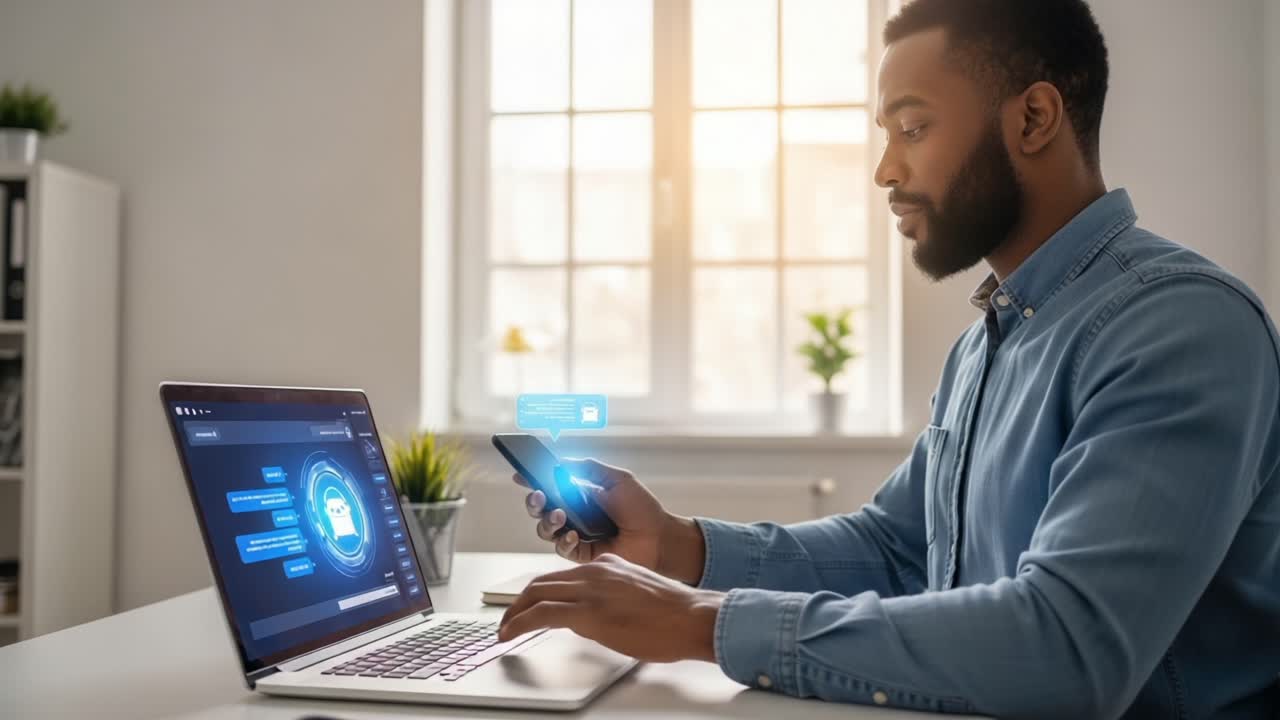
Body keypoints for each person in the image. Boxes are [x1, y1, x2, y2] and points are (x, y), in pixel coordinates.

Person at [496, 1, 1280, 717]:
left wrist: (703, 624)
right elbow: (897, 549)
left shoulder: (1178, 326)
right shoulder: (990, 341)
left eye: (912, 129)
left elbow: (1069, 646)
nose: (886, 171)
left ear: (1034, 117)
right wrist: (679, 548)